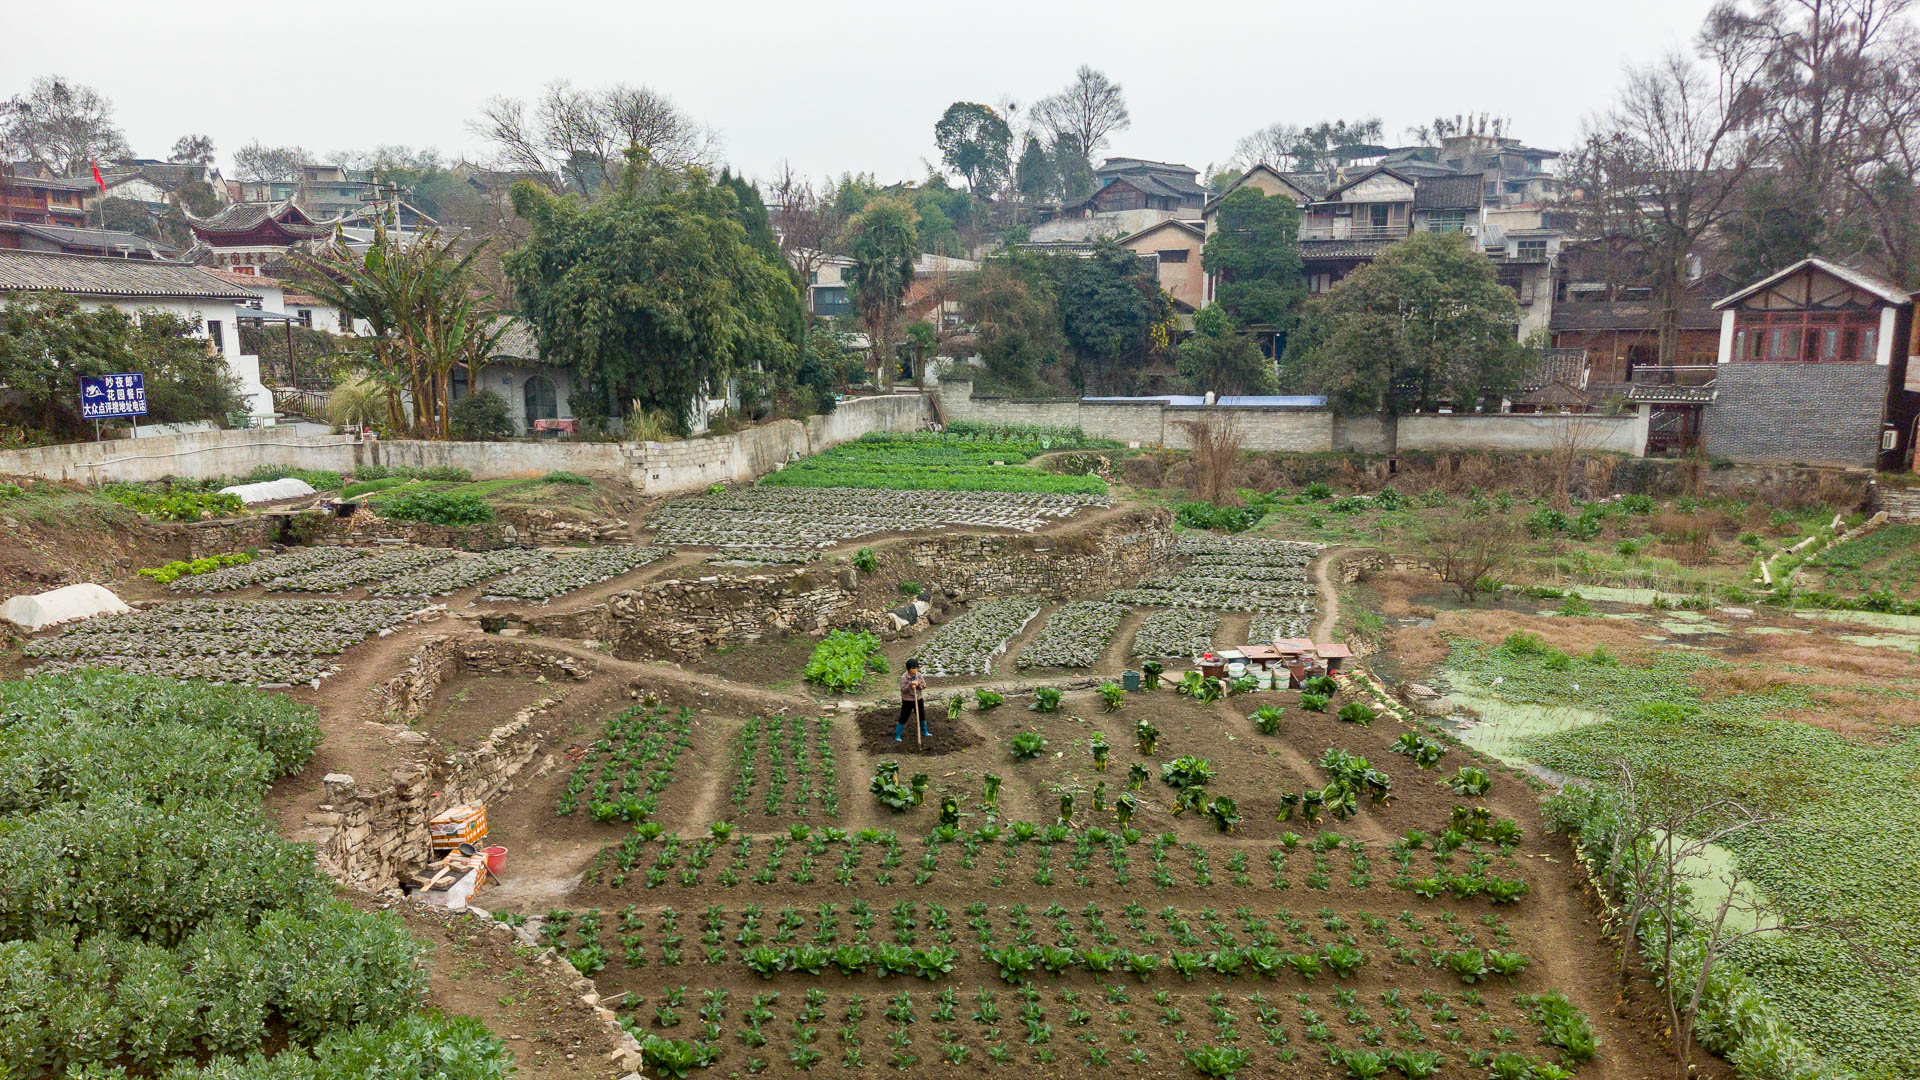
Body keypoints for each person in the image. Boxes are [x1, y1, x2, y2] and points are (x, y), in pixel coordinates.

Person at [896, 658, 931, 741]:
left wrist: (918, 684)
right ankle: (898, 735)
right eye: (913, 668)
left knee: (921, 715)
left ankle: (924, 731)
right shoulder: (904, 677)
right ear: (909, 669)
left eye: (916, 668)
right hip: (907, 700)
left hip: (918, 699)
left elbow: (924, 686)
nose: (915, 670)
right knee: (904, 717)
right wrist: (910, 684)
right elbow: (903, 690)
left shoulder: (919, 675)